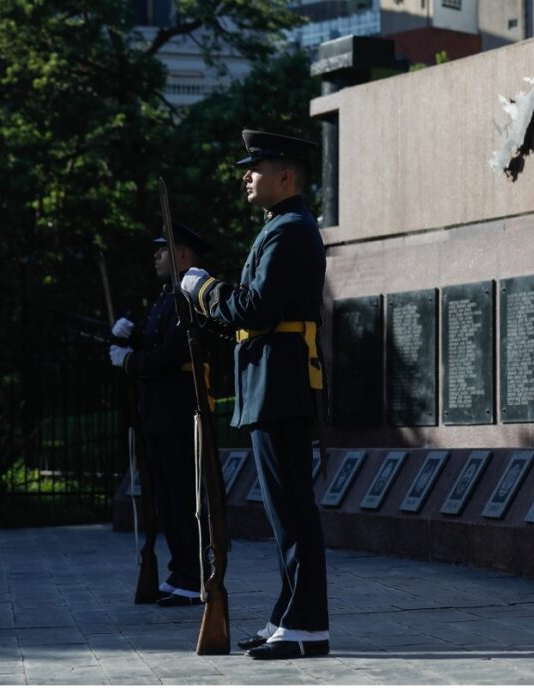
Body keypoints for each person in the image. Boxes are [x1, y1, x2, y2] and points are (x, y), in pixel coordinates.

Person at [180, 130, 329, 661]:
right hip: (271, 383)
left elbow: (256, 309)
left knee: (292, 512)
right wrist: (206, 307)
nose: (247, 175)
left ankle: (307, 624)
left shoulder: (290, 230)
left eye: (256, 167)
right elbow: (250, 316)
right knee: (284, 512)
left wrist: (203, 289)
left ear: (285, 176)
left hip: (281, 385)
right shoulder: (279, 228)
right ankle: (289, 615)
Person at [108, 222, 214, 607]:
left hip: (179, 411)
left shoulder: (189, 295)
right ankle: (180, 568)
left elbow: (172, 354)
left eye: (162, 249)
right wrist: (128, 337)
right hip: (160, 411)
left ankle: (194, 574)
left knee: (183, 496)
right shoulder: (168, 295)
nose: (156, 255)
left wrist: (131, 360)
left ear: (182, 255)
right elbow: (156, 343)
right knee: (167, 498)